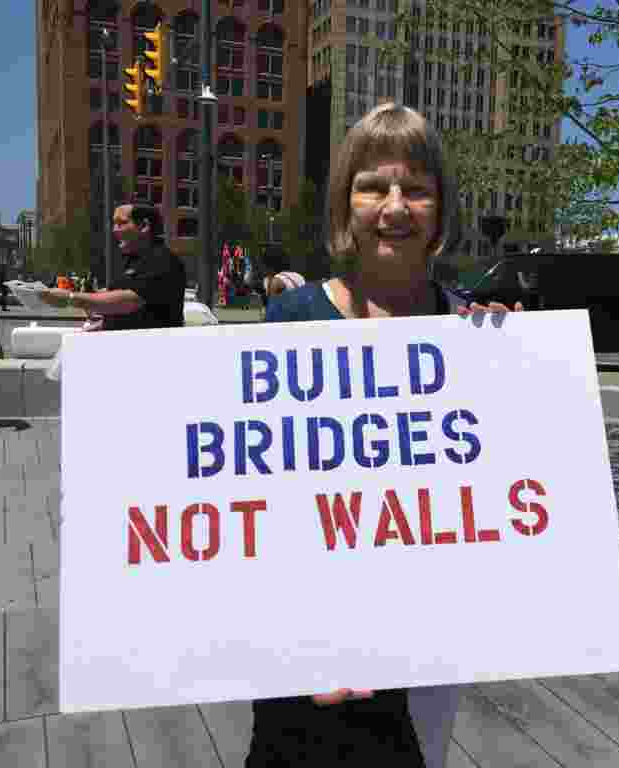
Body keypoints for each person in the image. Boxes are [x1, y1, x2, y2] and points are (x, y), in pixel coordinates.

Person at [247, 102, 520, 768]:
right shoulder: (292, 318)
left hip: (423, 649)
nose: (395, 205)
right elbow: (255, 502)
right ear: (347, 204)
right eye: (374, 186)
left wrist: (513, 363)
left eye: (416, 188)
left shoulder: (475, 332)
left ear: (439, 210)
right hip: (303, 657)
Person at [37, 203, 186, 331]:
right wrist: (104, 324)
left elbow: (128, 302)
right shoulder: (133, 260)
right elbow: (137, 310)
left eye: (121, 223)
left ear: (144, 226)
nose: (114, 230)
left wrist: (70, 298)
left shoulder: (163, 260)